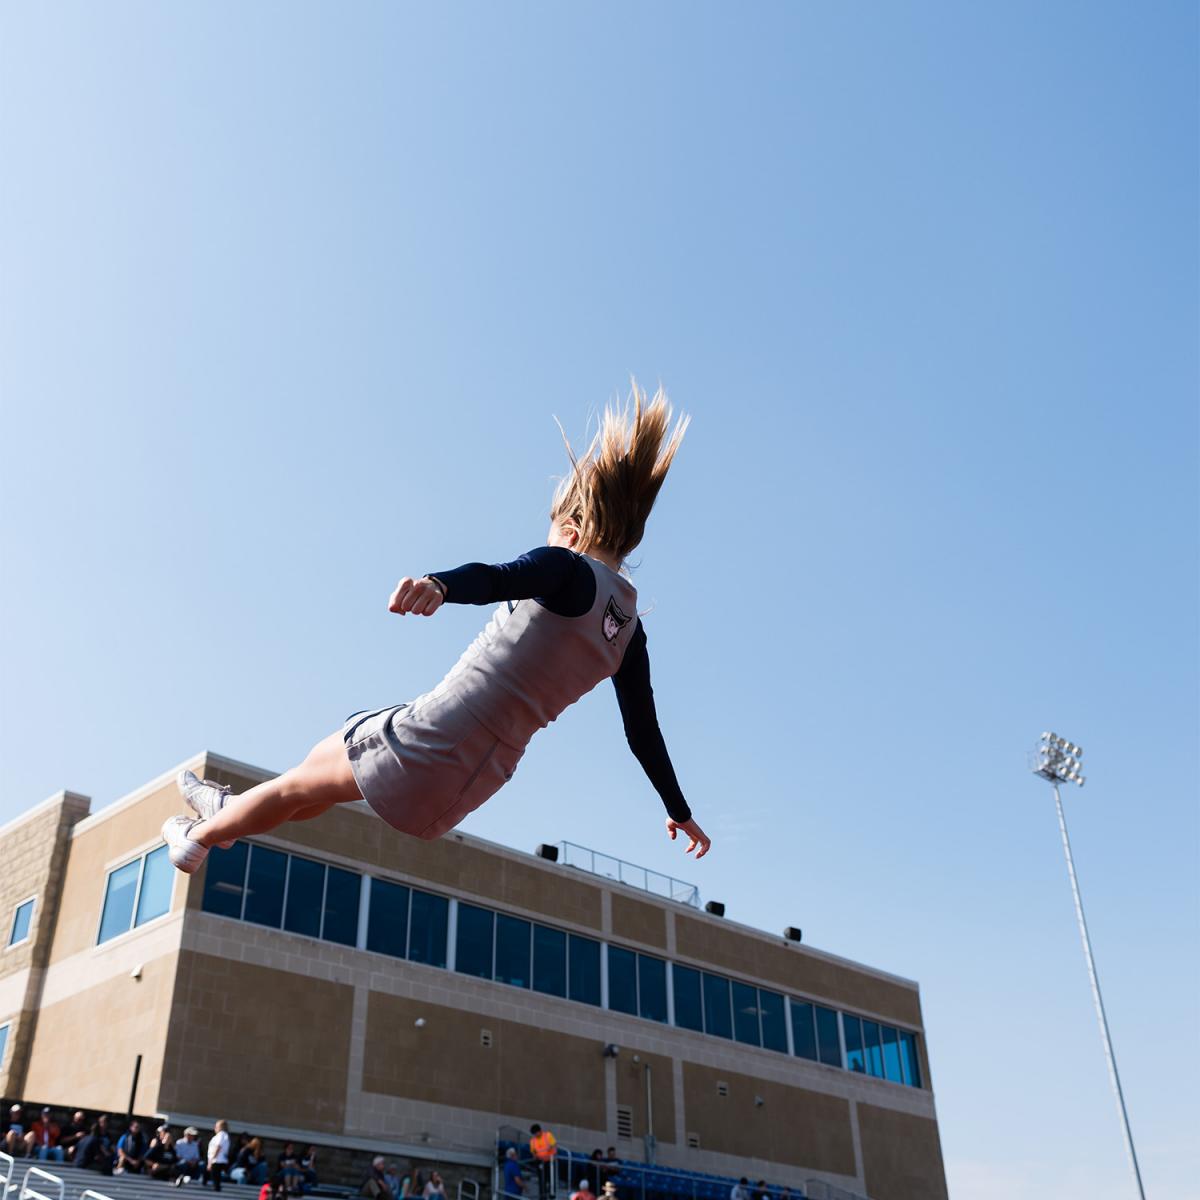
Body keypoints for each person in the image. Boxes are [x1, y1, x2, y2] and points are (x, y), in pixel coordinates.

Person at [161, 386, 710, 872]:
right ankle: (225, 813)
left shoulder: (565, 566)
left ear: (570, 527)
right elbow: (644, 733)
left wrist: (439, 584)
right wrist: (678, 811)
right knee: (315, 783)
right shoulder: (628, 632)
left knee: (300, 781)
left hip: (434, 733)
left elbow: (497, 577)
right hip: (476, 779)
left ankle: (200, 834)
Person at [529, 1125, 557, 1200]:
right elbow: (533, 1152)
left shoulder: (548, 1135)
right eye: (534, 1134)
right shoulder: (533, 1140)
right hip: (540, 1162)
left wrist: (550, 1147)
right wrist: (535, 1156)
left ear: (539, 1131)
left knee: (551, 1179)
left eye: (535, 1133)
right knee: (542, 1179)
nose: (535, 1135)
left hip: (550, 1161)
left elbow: (554, 1144)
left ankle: (552, 1194)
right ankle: (542, 1196)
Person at [203, 1120, 230, 1191]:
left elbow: (218, 1147)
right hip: (218, 1159)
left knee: (215, 1176)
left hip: (217, 1159)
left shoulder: (221, 1135)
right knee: (213, 1175)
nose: (215, 1128)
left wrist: (211, 1160)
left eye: (216, 1126)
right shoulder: (224, 1135)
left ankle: (215, 1188)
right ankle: (206, 1184)